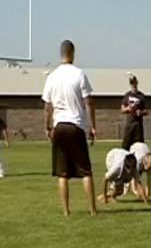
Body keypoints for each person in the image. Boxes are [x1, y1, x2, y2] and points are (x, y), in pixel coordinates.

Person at [42, 40, 97, 216]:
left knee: (62, 173)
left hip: (59, 127)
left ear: (60, 54)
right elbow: (88, 102)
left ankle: (66, 212)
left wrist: (47, 127)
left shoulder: (52, 77)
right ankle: (92, 210)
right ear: (72, 53)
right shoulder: (79, 74)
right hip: (75, 126)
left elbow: (47, 107)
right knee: (86, 171)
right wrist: (92, 125)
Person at [121, 73, 147, 150]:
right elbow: (122, 109)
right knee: (125, 146)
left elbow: (146, 111)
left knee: (139, 147)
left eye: (134, 82)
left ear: (137, 83)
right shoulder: (127, 95)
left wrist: (141, 112)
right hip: (129, 125)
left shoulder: (141, 96)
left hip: (138, 126)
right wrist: (128, 109)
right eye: (131, 83)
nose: (133, 85)